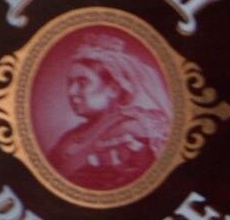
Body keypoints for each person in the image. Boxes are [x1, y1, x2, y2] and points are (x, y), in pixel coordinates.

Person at [35, 23, 174, 193]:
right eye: (70, 83)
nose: (72, 92)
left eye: (82, 82)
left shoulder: (131, 132)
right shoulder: (71, 136)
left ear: (113, 89)